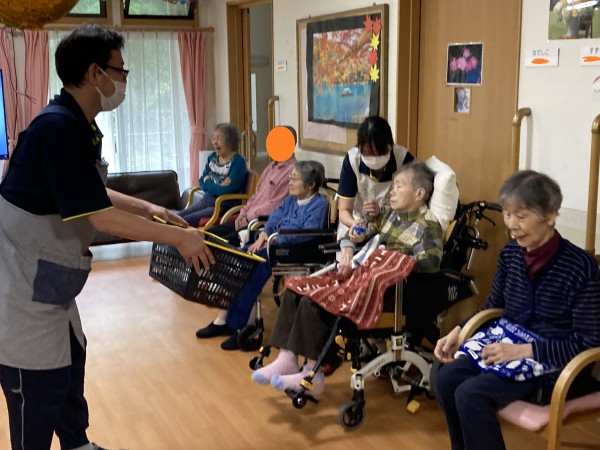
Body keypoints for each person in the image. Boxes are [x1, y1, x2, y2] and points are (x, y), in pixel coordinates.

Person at [0, 24, 214, 450]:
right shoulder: (57, 128)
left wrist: (147, 207)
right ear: (94, 73)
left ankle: (77, 444)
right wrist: (177, 238)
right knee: (37, 393)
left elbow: (85, 190)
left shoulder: (78, 125)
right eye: (121, 70)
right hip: (23, 293)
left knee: (69, 370)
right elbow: (97, 214)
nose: (123, 80)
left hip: (52, 284)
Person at [433, 170, 600, 450]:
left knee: (470, 394)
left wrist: (523, 351)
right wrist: (459, 330)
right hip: (509, 348)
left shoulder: (581, 267)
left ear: (550, 216)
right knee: (446, 379)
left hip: (556, 363)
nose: (512, 225)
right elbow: (493, 306)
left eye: (521, 217)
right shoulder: (511, 255)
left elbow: (588, 341)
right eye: (508, 214)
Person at [251, 161, 443, 396]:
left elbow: (431, 264)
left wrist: (391, 260)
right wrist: (355, 237)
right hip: (362, 276)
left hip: (389, 291)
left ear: (419, 194)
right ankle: (287, 358)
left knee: (314, 300)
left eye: (399, 186)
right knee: (296, 288)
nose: (392, 191)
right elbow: (359, 233)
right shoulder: (390, 214)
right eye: (393, 186)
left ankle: (313, 374)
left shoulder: (428, 225)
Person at [196, 160, 329, 350]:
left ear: (311, 184)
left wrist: (275, 239)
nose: (290, 183)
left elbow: (307, 234)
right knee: (235, 260)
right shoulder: (291, 200)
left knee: (249, 271)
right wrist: (265, 233)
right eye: (290, 178)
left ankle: (241, 325)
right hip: (272, 243)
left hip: (290, 250)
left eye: (295, 179)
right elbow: (274, 217)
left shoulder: (319, 205)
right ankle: (224, 318)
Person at [204, 126, 297, 247]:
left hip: (259, 223)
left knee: (216, 245)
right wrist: (242, 214)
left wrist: (248, 218)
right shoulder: (271, 166)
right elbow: (255, 195)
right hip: (247, 218)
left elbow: (274, 205)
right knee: (205, 235)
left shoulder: (292, 171)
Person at [336, 115, 414, 241]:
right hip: (358, 219)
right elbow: (344, 210)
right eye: (368, 153)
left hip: (393, 222)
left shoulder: (403, 159)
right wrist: (354, 224)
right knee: (347, 247)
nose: (374, 159)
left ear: (390, 145)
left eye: (379, 153)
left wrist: (381, 211)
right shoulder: (352, 160)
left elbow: (410, 204)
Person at [178, 123, 248, 227]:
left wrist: (208, 181)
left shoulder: (238, 162)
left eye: (218, 138)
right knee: (175, 217)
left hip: (223, 206)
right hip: (206, 201)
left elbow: (226, 191)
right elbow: (201, 181)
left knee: (184, 221)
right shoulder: (212, 158)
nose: (214, 142)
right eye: (213, 138)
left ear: (230, 141)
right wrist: (217, 185)